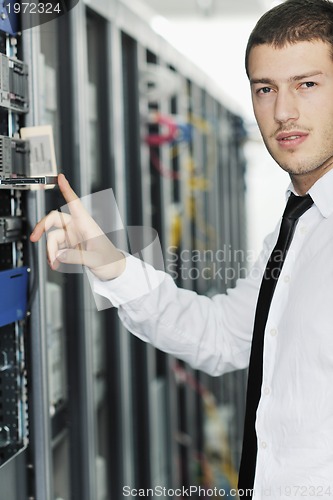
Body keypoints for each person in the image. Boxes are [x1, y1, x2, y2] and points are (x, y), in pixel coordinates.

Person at [30, 0, 333, 497]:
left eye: (308, 84)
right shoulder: (295, 227)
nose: (284, 111)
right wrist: (111, 262)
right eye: (265, 89)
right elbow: (223, 336)